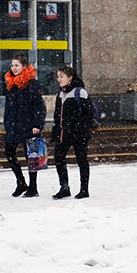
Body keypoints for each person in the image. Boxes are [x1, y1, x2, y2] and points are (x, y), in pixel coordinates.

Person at [2, 54, 45, 197]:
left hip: (28, 125)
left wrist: (37, 124)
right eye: (12, 65)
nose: (14, 68)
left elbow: (39, 107)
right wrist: (7, 122)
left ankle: (33, 187)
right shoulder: (11, 84)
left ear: (24, 66)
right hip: (13, 124)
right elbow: (9, 106)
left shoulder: (32, 84)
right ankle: (21, 182)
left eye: (17, 65)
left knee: (31, 157)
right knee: (9, 152)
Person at [50, 65, 94, 199]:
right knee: (58, 158)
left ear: (70, 78)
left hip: (78, 134)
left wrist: (80, 128)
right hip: (64, 134)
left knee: (81, 160)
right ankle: (64, 187)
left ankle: (84, 189)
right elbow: (57, 116)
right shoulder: (60, 94)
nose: (59, 79)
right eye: (58, 76)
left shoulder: (80, 92)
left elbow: (88, 113)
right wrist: (56, 130)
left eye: (61, 76)